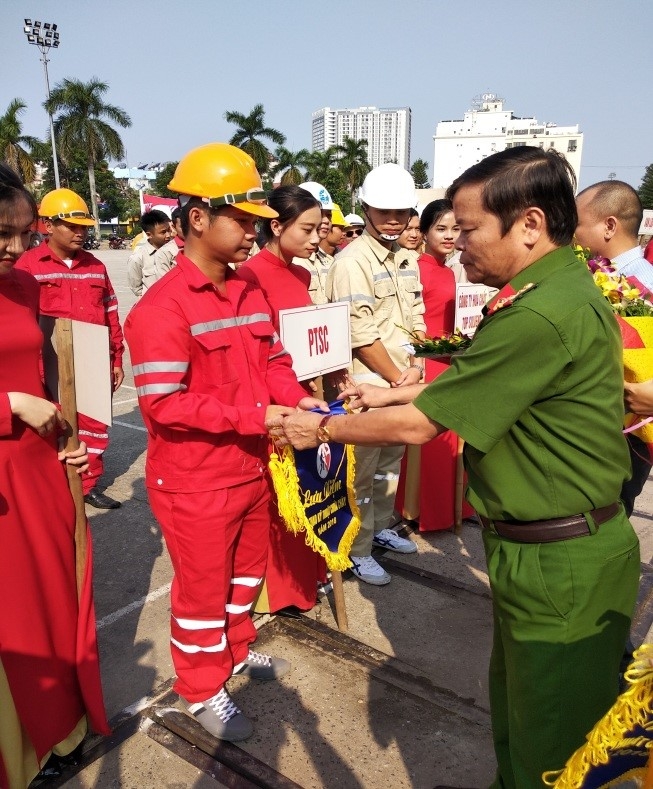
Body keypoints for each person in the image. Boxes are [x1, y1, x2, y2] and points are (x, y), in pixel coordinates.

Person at [272, 147, 640, 787]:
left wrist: (319, 427)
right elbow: (481, 380)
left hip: (561, 559)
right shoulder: (551, 289)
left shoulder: (538, 313)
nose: (455, 243)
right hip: (549, 547)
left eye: (468, 230)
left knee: (552, 750)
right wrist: (387, 392)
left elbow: (421, 427)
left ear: (527, 224)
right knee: (524, 718)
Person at [125, 144, 327, 742]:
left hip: (250, 469)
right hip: (195, 480)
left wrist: (297, 399)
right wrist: (262, 415)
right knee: (202, 588)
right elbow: (164, 403)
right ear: (196, 218)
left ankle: (236, 653)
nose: (253, 231)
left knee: (245, 576)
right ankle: (200, 688)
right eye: (241, 220)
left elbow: (274, 357)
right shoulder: (161, 309)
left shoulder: (247, 291)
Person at [0, 164, 109, 787]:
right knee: (13, 619)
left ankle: (63, 730)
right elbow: (21, 394)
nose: (17, 249)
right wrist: (10, 406)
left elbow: (46, 379)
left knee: (55, 603)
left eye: (22, 232)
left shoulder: (21, 288)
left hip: (40, 471)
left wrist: (62, 441)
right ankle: (21, 750)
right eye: (2, 234)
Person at [325, 163, 425, 585]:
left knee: (390, 464)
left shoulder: (407, 258)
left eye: (401, 211)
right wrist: (399, 377)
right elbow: (359, 333)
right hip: (369, 384)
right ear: (364, 208)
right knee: (361, 472)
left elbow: (416, 316)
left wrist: (416, 365)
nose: (393, 219)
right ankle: (358, 550)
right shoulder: (352, 261)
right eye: (383, 210)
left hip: (402, 379)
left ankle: (380, 528)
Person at [239, 184, 330, 613]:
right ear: (276, 226)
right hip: (274, 400)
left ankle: (309, 574)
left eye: (319, 229)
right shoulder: (249, 276)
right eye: (308, 229)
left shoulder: (303, 273)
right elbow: (260, 351)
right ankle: (278, 590)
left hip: (305, 391)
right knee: (280, 498)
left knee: (312, 487)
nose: (317, 238)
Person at [16, 188, 125, 510]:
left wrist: (116, 358)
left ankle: (87, 483)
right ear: (48, 225)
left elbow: (110, 312)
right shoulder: (27, 266)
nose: (81, 233)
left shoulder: (96, 267)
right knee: (51, 425)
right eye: (72, 226)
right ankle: (54, 483)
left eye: (84, 227)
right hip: (46, 363)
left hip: (92, 359)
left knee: (95, 424)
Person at [395, 199, 475, 530]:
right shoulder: (415, 269)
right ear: (424, 232)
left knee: (454, 441)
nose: (448, 235)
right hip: (430, 362)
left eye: (455, 229)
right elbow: (413, 321)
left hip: (453, 358)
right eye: (440, 228)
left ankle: (456, 508)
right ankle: (424, 511)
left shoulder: (452, 269)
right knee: (432, 443)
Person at [575, 180, 653, 516]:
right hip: (600, 423)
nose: (570, 231)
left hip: (630, 430)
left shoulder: (641, 284)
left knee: (612, 511)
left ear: (609, 225)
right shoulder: (594, 276)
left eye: (576, 222)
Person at [292, 181, 335, 305]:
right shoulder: (292, 261)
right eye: (321, 214)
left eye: (329, 215)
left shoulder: (330, 261)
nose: (326, 220)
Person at [126, 209, 172, 297]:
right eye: (163, 232)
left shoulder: (176, 251)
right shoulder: (137, 258)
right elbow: (136, 288)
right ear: (149, 234)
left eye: (169, 230)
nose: (168, 235)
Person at [150, 206, 185, 282]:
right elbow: (164, 282)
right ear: (173, 226)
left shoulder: (202, 246)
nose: (188, 229)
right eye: (183, 226)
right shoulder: (164, 253)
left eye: (190, 225)